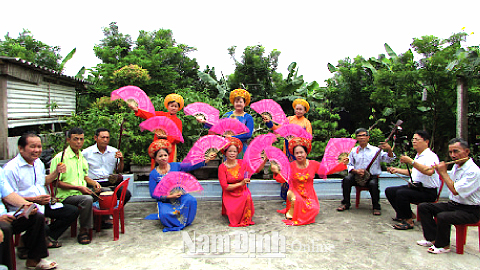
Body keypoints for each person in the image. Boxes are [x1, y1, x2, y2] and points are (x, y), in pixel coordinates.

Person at [3, 132, 79, 251]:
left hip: (43, 203)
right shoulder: (10, 169)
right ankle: (32, 243)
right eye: (32, 146)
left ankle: (40, 238)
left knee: (72, 212)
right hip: (24, 208)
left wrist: (56, 172)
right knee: (41, 226)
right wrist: (34, 200)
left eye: (39, 147)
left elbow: (43, 181)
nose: (37, 150)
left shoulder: (38, 163)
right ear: (21, 148)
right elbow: (9, 196)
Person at [417, 138, 480, 254]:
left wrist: (443, 173)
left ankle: (443, 246)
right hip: (454, 205)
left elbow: (455, 190)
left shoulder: (474, 171)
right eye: (450, 152)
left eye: (456, 152)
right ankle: (433, 239)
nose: (453, 155)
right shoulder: (457, 166)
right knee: (424, 207)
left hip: (471, 210)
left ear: (466, 152)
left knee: (443, 216)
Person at [148, 140, 215, 232]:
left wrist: (204, 160)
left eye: (165, 155)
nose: (163, 158)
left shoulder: (176, 166)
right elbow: (153, 194)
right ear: (155, 159)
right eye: (160, 156)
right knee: (165, 214)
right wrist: (169, 196)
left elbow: (191, 165)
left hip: (179, 196)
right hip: (166, 200)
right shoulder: (153, 174)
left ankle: (185, 222)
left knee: (191, 200)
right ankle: (173, 222)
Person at [50, 127, 102, 244]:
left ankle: (101, 221)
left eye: (81, 139)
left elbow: (83, 176)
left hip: (81, 191)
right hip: (67, 195)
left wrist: (93, 183)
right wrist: (78, 188)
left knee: (105, 191)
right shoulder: (60, 158)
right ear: (68, 140)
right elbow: (55, 182)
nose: (79, 142)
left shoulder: (81, 157)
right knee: (87, 199)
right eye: (75, 139)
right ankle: (83, 230)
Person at [0, 167, 58, 270]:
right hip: (1, 221)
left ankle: (34, 260)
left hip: (6, 216)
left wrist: (27, 205)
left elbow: (8, 194)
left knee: (37, 217)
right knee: (5, 228)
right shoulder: (12, 168)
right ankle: (6, 266)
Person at [386, 130, 441, 230]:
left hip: (428, 192)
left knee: (402, 193)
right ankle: (407, 214)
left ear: (426, 141)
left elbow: (429, 171)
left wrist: (411, 161)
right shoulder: (419, 155)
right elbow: (414, 171)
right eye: (413, 139)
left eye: (417, 139)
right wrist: (397, 170)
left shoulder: (430, 156)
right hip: (416, 187)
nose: (414, 141)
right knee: (390, 191)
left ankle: (408, 221)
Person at [336, 128, 395, 215]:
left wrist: (389, 149)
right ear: (356, 138)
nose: (362, 137)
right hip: (357, 176)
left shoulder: (375, 150)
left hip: (371, 176)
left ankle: (376, 207)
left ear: (368, 137)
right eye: (359, 136)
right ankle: (346, 203)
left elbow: (389, 159)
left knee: (373, 184)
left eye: (364, 135)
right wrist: (355, 171)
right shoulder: (354, 151)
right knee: (346, 180)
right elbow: (350, 163)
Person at [271, 137, 323, 226]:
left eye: (301, 152)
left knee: (314, 209)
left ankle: (297, 213)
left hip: (309, 194)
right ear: (294, 155)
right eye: (297, 153)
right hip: (295, 192)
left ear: (306, 153)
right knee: (298, 200)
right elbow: (280, 179)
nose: (299, 155)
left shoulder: (313, 164)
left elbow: (325, 170)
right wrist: (277, 171)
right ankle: (293, 212)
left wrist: (342, 163)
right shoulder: (290, 166)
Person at [218, 137, 266, 227]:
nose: (232, 153)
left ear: (237, 153)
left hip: (242, 191)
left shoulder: (242, 163)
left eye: (234, 151)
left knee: (246, 196)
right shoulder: (222, 167)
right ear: (225, 153)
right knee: (233, 214)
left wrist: (265, 160)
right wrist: (241, 183)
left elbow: (257, 170)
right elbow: (225, 186)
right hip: (230, 193)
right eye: (230, 151)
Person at [196, 89, 254, 158]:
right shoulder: (227, 115)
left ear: (244, 104)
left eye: (240, 102)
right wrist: (204, 121)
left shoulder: (248, 117)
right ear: (233, 103)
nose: (238, 103)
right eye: (236, 101)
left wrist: (232, 138)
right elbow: (217, 127)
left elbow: (248, 134)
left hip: (241, 149)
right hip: (227, 148)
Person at [129, 93, 184, 165]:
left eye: (176, 106)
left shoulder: (178, 121)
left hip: (170, 146)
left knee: (168, 166)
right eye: (172, 106)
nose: (173, 108)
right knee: (156, 164)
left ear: (178, 108)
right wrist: (136, 109)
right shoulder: (161, 115)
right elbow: (149, 115)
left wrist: (166, 137)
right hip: (157, 143)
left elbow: (178, 138)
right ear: (168, 106)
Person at [82, 128, 132, 204]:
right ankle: (105, 213)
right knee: (105, 194)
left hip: (109, 181)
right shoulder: (86, 153)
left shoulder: (114, 151)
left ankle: (115, 211)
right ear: (96, 138)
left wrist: (121, 159)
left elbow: (120, 170)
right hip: (94, 183)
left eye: (107, 137)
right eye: (103, 137)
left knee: (126, 194)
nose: (105, 140)